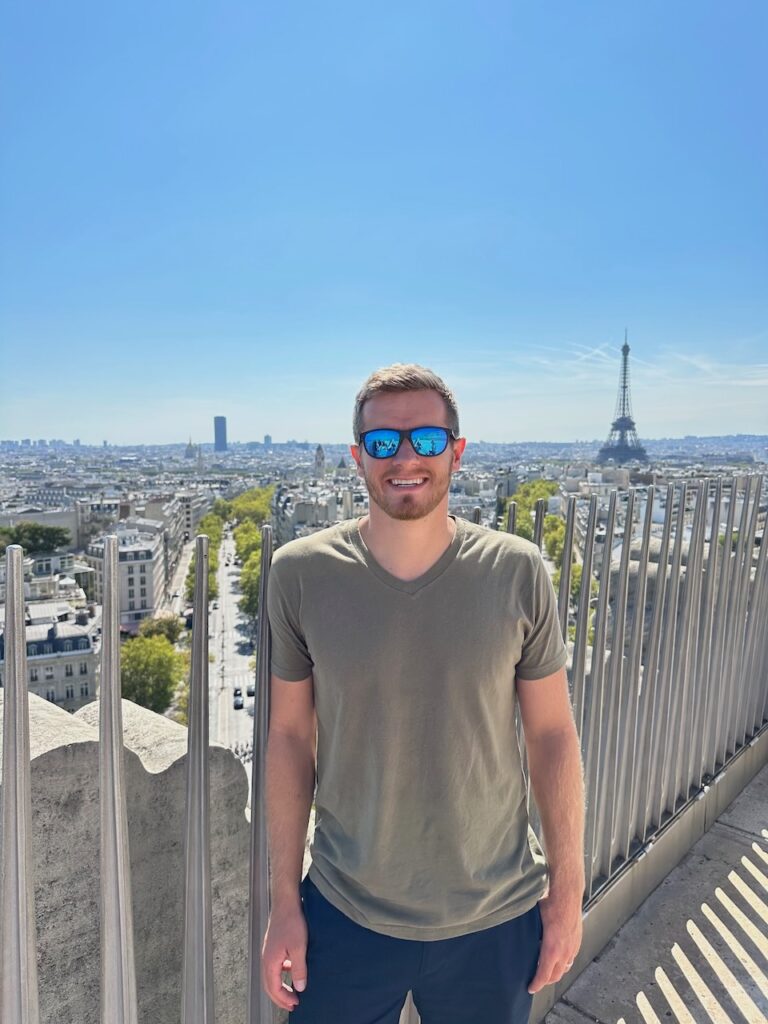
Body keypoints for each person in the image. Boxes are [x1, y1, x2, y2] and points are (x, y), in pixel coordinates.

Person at [262, 364, 585, 1023]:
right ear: (357, 457)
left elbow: (553, 735)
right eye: (383, 441)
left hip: (495, 914)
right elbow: (289, 738)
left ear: (456, 452)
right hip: (345, 908)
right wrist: (284, 903)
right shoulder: (299, 574)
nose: (405, 457)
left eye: (428, 440)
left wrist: (567, 893)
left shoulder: (517, 570)